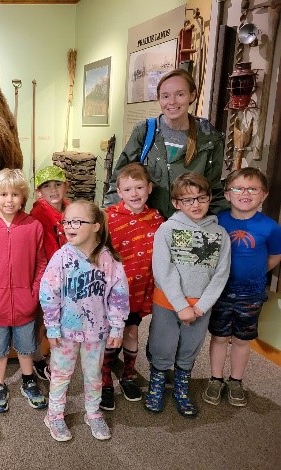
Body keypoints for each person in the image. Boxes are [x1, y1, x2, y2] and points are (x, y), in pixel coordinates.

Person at [40, 200, 129, 442]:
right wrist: (52, 326)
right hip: (66, 332)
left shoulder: (109, 259)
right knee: (60, 374)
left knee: (93, 375)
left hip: (96, 332)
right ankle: (55, 415)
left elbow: (119, 294)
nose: (70, 226)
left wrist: (117, 325)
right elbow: (48, 293)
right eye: (67, 221)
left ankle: (93, 412)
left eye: (77, 221)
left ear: (96, 226)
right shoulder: (61, 257)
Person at [145, 172, 230, 417]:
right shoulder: (167, 229)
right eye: (188, 200)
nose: (195, 204)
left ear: (210, 198)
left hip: (201, 306)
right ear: (176, 203)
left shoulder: (219, 234)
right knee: (163, 344)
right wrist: (181, 305)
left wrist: (201, 306)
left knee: (190, 347)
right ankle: (157, 382)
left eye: (201, 198)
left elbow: (221, 274)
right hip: (168, 303)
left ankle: (181, 385)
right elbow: (163, 269)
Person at [0, 168, 48, 413]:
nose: (9, 200)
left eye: (15, 194)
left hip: (25, 304)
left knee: (26, 347)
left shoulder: (33, 226)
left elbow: (41, 263)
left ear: (22, 198)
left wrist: (33, 294)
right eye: (3, 194)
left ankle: (28, 380)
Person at [105, 68, 229, 219]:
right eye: (165, 96)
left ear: (192, 95)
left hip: (187, 228)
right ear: (159, 99)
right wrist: (109, 219)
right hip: (144, 227)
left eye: (180, 94)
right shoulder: (144, 131)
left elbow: (213, 190)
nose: (172, 102)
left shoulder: (209, 139)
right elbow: (119, 180)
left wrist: (226, 223)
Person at [204, 168, 281, 407]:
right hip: (221, 291)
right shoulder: (218, 221)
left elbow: (275, 256)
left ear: (263, 195)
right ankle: (216, 378)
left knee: (241, 339)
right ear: (227, 194)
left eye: (252, 189)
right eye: (238, 188)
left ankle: (236, 380)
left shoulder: (270, 227)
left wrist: (255, 274)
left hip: (252, 293)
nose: (244, 193)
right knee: (219, 336)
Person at [101, 163, 164, 410]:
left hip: (139, 290)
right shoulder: (108, 217)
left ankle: (127, 375)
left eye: (139, 187)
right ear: (119, 191)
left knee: (131, 332)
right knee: (108, 336)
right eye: (128, 189)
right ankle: (105, 379)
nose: (134, 193)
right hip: (111, 292)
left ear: (149, 188)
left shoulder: (157, 219)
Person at [29, 165, 71, 381]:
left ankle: (58, 359)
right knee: (41, 320)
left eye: (57, 184)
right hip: (47, 278)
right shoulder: (38, 214)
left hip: (69, 276)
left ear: (66, 186)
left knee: (59, 321)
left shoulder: (71, 209)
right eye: (47, 186)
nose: (53, 190)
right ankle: (37, 358)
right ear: (39, 192)